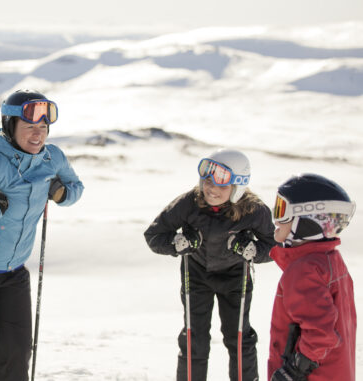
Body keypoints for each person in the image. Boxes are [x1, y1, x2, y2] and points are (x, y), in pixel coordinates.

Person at [0, 90, 84, 380]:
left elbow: (76, 188)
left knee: (17, 354)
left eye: (43, 128)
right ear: (10, 126)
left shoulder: (52, 158)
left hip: (13, 273)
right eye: (30, 127)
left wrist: (62, 193)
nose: (38, 135)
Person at [144, 148, 276, 381]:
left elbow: (275, 247)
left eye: (222, 186)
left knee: (237, 336)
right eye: (207, 183)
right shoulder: (188, 203)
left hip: (235, 276)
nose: (212, 190)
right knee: (195, 337)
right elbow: (154, 236)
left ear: (238, 187)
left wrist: (252, 250)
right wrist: (178, 244)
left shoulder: (254, 210)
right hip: (196, 275)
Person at [268, 174, 356, 381]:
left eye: (282, 211)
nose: (276, 219)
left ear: (308, 221)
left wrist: (293, 371)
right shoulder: (330, 260)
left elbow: (321, 333)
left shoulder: (303, 270)